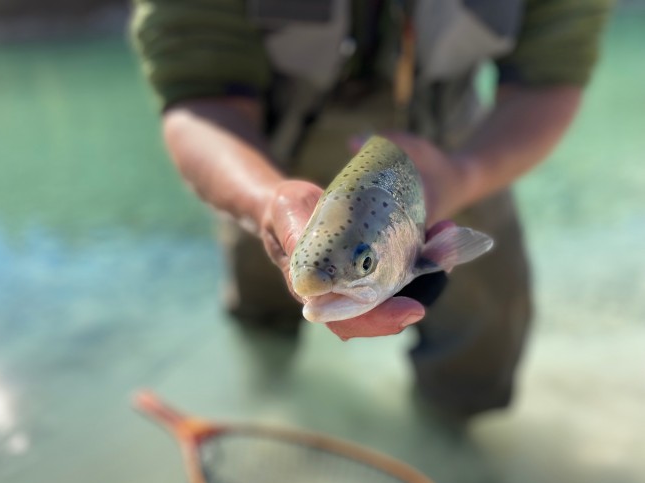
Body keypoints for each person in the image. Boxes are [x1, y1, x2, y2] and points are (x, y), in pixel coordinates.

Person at [130, 0, 611, 420]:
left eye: (361, 267)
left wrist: (466, 174)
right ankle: (272, 406)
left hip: (457, 144)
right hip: (265, 152)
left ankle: (458, 460)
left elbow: (551, 78)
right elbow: (197, 97)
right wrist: (263, 200)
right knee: (263, 318)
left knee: (484, 341)